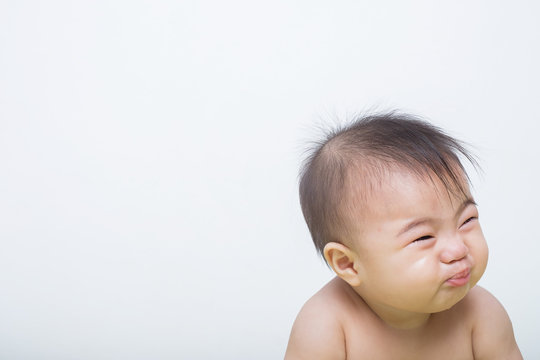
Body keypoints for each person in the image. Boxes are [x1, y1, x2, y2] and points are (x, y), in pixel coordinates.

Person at [285, 112, 522, 359]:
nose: (458, 250)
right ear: (348, 264)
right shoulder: (327, 326)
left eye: (467, 220)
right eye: (423, 238)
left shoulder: (481, 313)